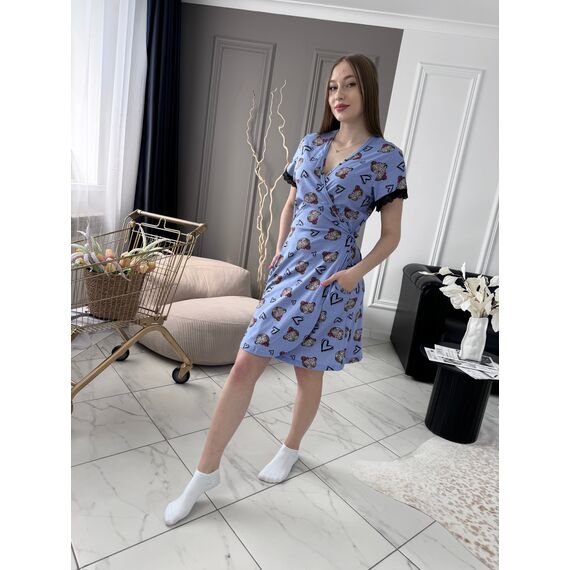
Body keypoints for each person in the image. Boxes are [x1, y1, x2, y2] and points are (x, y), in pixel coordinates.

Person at [164, 53, 408, 526]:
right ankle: (204, 474)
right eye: (333, 86)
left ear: (368, 91)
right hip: (290, 267)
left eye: (350, 84)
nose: (338, 94)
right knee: (244, 365)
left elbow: (392, 235)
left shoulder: (386, 158)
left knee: (307, 373)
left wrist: (355, 274)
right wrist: (278, 253)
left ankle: (291, 448)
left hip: (333, 275)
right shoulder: (311, 143)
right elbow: (290, 204)